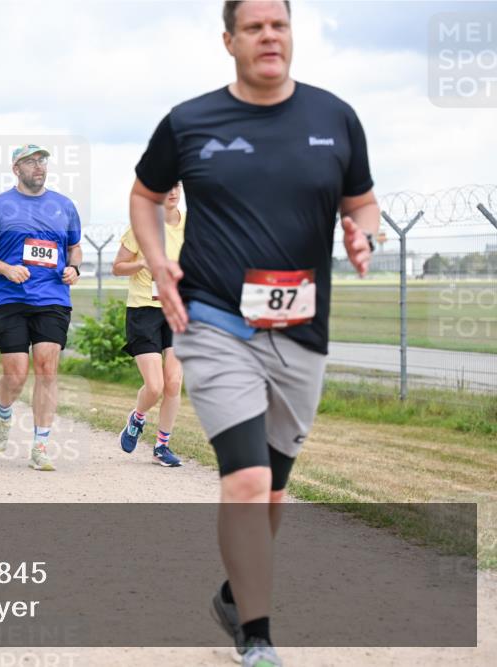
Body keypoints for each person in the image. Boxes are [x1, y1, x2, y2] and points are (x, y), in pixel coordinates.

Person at [129, 2, 380, 665]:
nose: (270, 35)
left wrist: (363, 233)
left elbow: (363, 202)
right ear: (230, 40)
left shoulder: (335, 117)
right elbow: (145, 195)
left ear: (291, 34)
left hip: (302, 329)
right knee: (245, 479)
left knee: (272, 489)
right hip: (214, 320)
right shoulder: (190, 122)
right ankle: (257, 636)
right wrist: (158, 262)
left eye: (280, 24)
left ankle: (233, 595)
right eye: (255, 26)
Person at [0, 144, 82, 472]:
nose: (38, 166)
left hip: (52, 298)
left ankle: (40, 446)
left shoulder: (64, 206)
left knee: (47, 368)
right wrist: (5, 269)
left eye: (42, 161)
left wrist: (74, 268)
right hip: (9, 298)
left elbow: (74, 247)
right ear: (16, 169)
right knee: (16, 374)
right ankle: (4, 411)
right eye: (30, 162)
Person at [112, 182, 185, 467]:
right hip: (144, 310)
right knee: (155, 386)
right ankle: (137, 418)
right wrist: (141, 264)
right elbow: (117, 267)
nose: (172, 192)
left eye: (177, 185)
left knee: (174, 382)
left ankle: (162, 447)